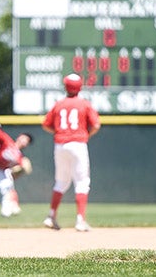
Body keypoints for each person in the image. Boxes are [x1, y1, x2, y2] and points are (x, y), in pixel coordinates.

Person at [42, 73, 100, 232]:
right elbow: (96, 125)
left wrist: (59, 132)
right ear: (80, 87)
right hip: (78, 144)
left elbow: (45, 124)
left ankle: (51, 216)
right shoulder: (84, 103)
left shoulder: (59, 104)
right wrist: (86, 134)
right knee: (82, 182)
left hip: (60, 145)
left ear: (65, 86)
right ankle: (80, 220)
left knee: (61, 182)